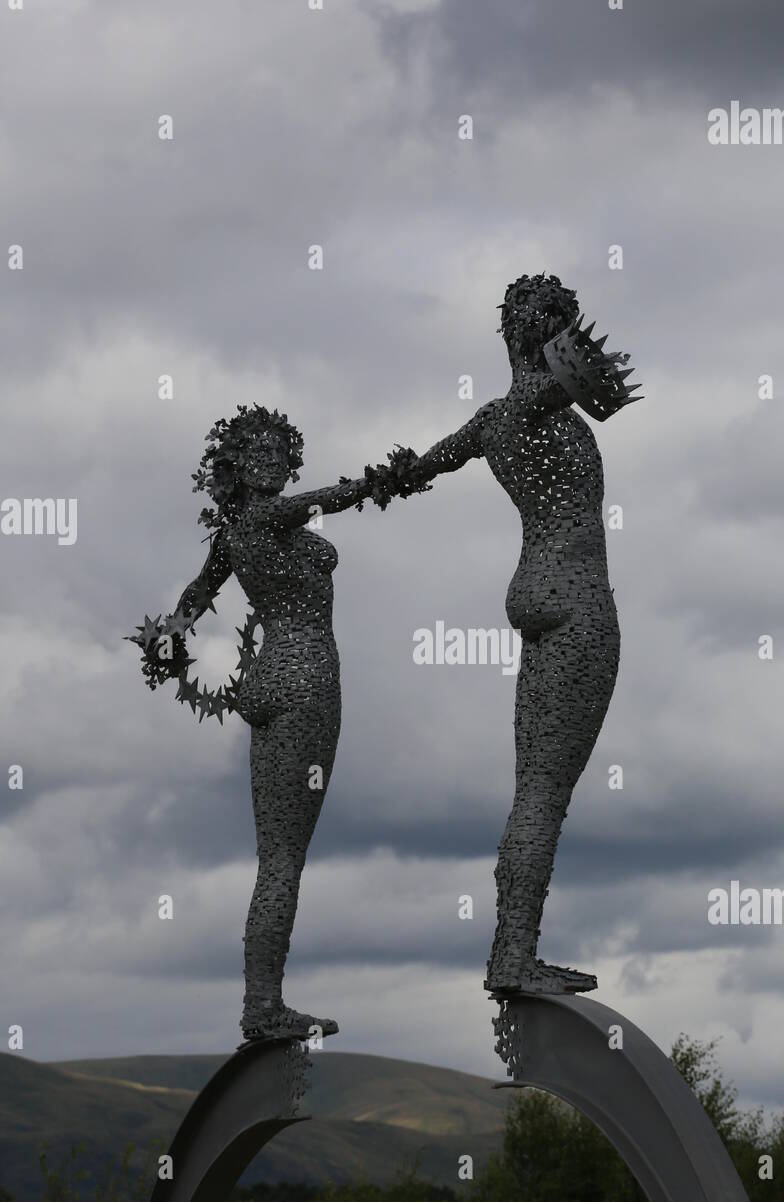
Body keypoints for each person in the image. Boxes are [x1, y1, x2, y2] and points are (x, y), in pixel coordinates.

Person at [130, 403, 422, 1039]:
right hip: (307, 674)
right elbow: (326, 500)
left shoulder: (231, 537)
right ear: (238, 462)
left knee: (275, 856)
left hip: (265, 682)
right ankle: (263, 1006)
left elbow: (190, 602)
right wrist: (380, 482)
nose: (271, 458)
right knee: (286, 859)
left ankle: (261, 999)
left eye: (276, 447)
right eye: (257, 448)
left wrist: (168, 650)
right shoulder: (266, 515)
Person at [396, 274, 642, 994]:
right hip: (576, 599)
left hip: (531, 591)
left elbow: (423, 466)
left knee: (530, 789)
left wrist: (376, 483)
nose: (573, 329)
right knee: (544, 795)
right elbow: (579, 383)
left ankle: (512, 949)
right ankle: (514, 956)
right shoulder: (541, 402)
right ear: (542, 331)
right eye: (561, 318)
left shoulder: (491, 420)